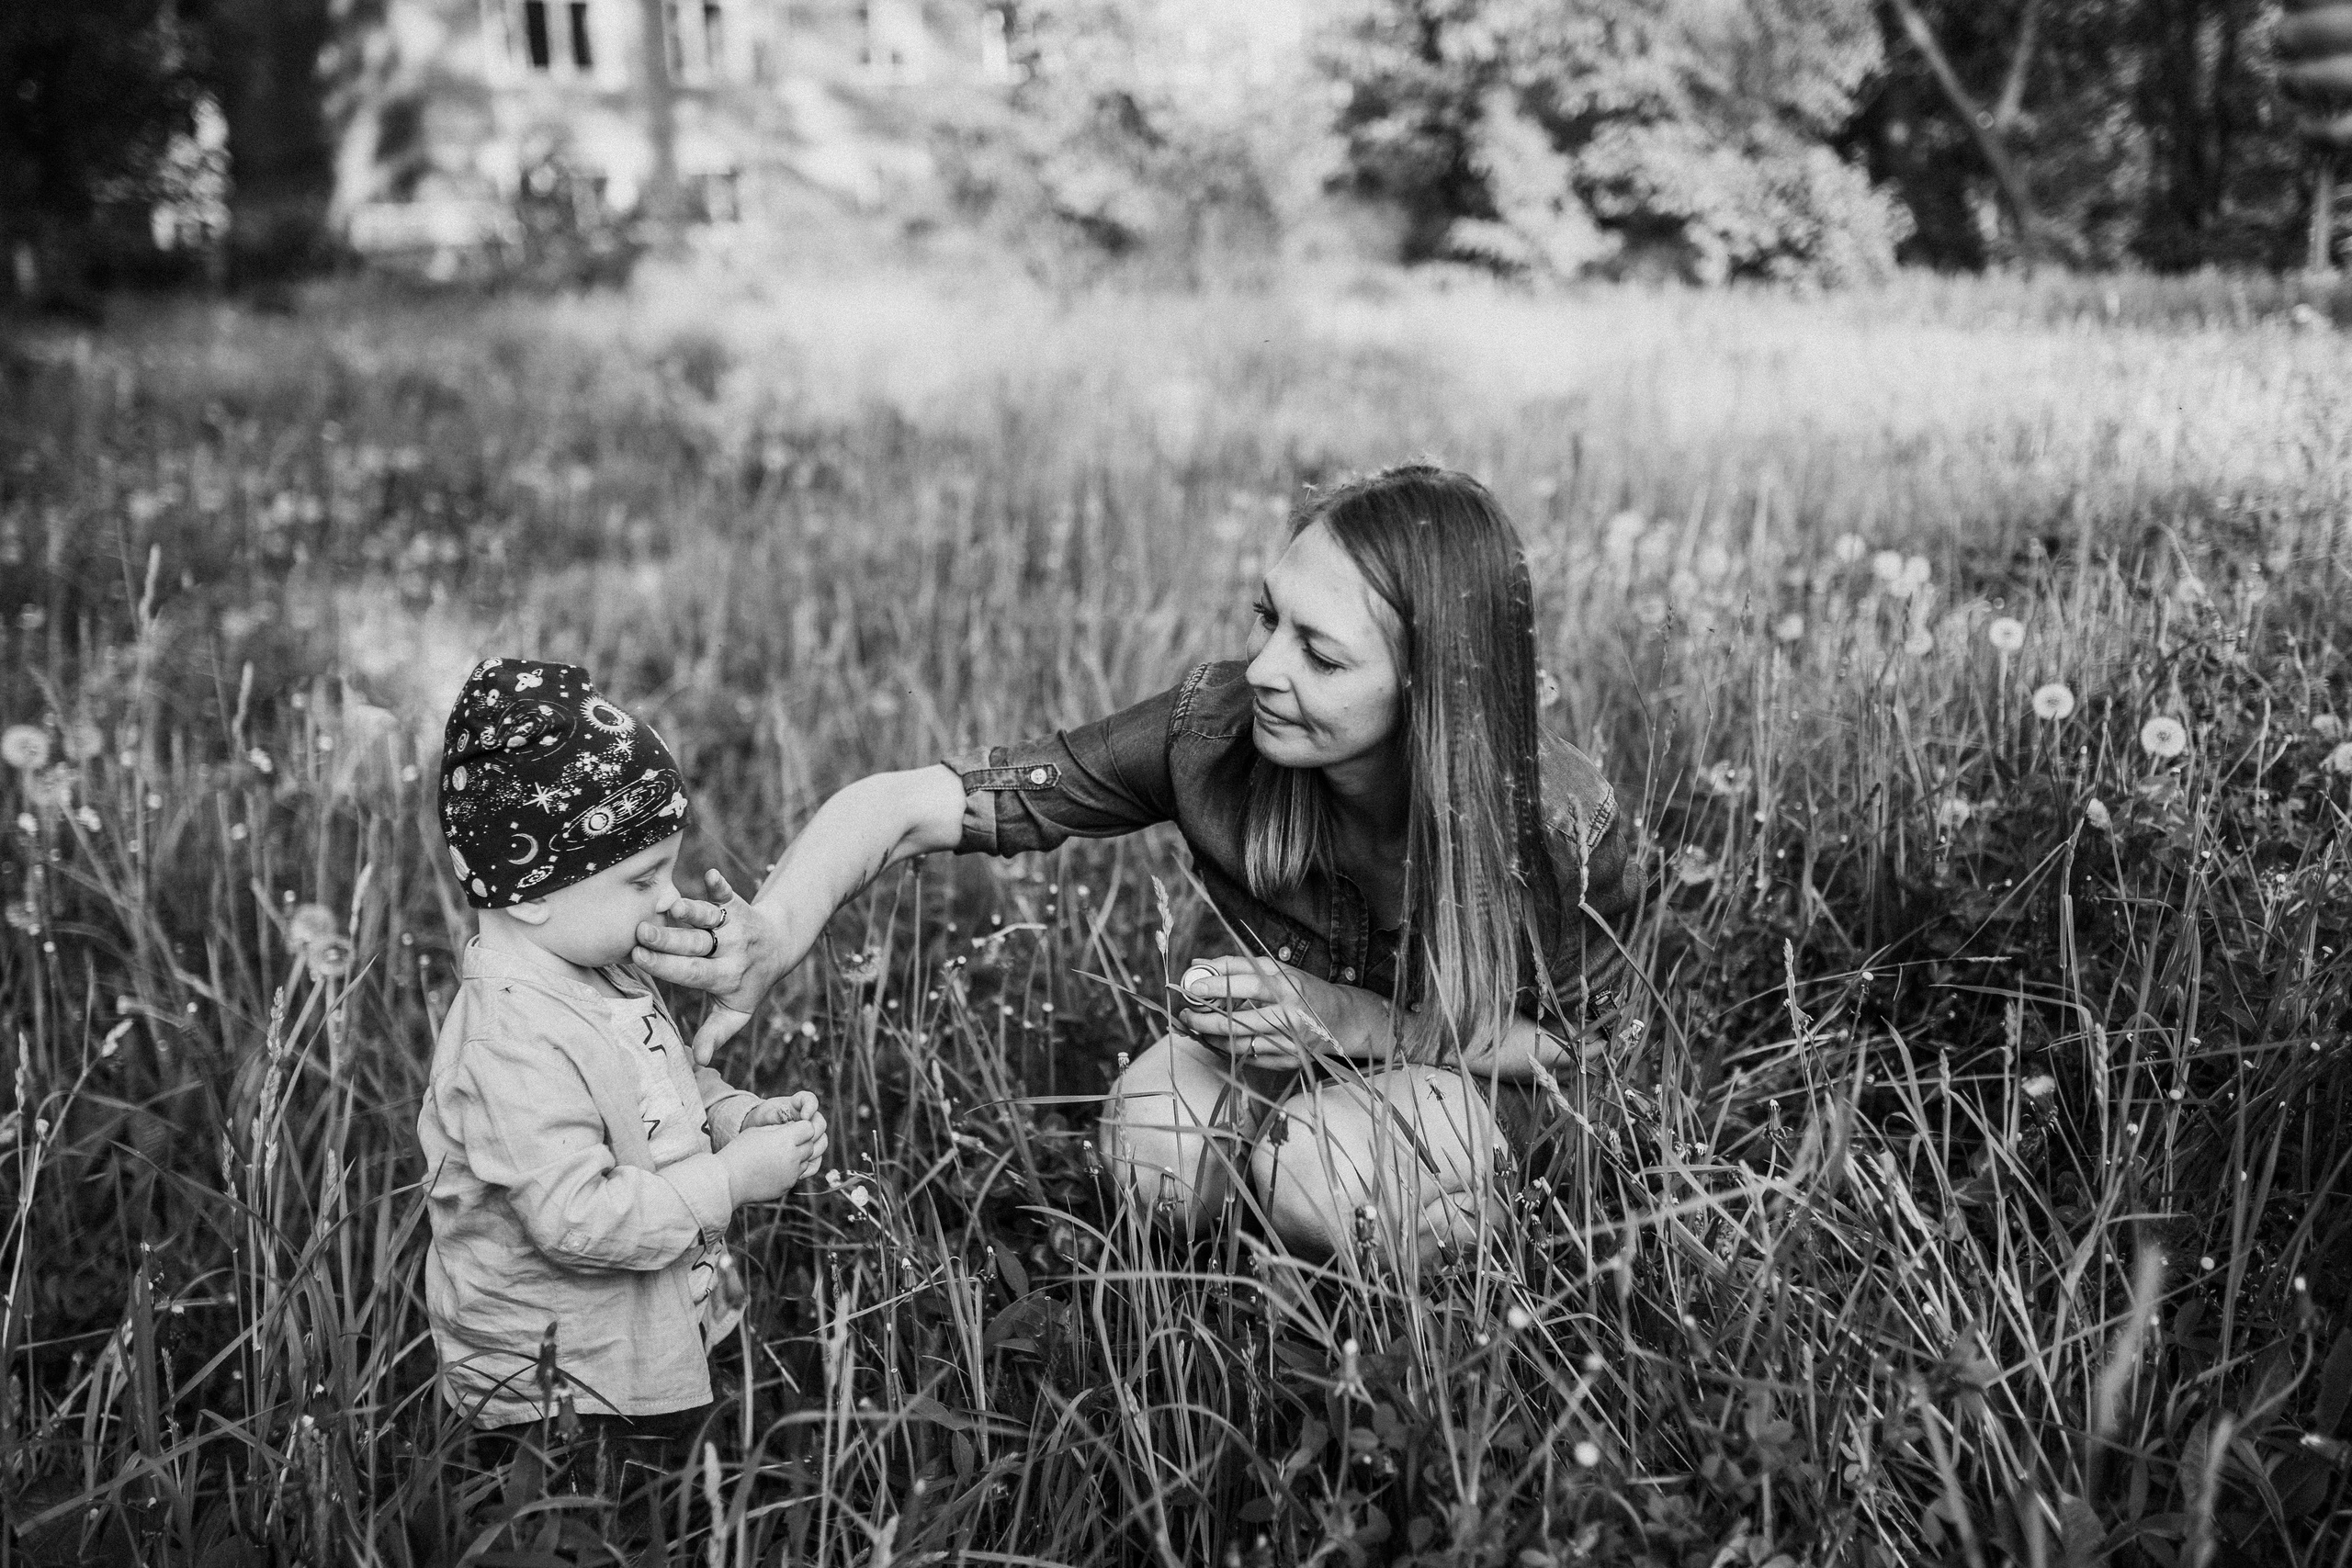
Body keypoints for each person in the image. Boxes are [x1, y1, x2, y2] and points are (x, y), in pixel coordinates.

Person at [631, 466, 1639, 1273]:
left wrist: (1352, 1019)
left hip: (1481, 1080)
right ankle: (1247, 1277)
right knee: (1153, 1141)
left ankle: (1443, 1291)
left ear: (1430, 689)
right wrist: (774, 932)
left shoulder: (1553, 825)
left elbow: (1577, 1049)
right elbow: (909, 805)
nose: (1265, 670)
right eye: (1268, 619)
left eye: (1321, 656)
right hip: (1299, 1056)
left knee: (1320, 1170)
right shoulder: (1213, 734)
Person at [417, 657, 829, 1492]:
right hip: (562, 1384)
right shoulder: (511, 1041)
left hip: (646, 1338)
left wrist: (736, 1118)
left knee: (677, 1496)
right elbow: (576, 1219)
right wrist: (730, 1180)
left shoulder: (600, 966)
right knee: (597, 1523)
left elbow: (658, 1089)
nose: (667, 898)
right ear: (530, 889)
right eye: (641, 879)